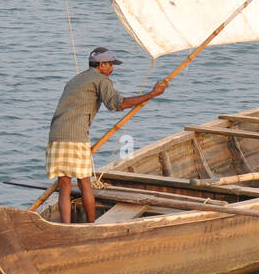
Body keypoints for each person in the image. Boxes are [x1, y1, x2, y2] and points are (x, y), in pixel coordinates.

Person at [46, 47, 168, 223]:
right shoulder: (101, 80)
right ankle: (91, 224)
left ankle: (65, 226)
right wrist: (152, 94)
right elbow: (118, 104)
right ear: (101, 65)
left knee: (64, 184)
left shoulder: (76, 80)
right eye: (110, 65)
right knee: (84, 181)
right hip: (75, 137)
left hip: (56, 134)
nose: (112, 69)